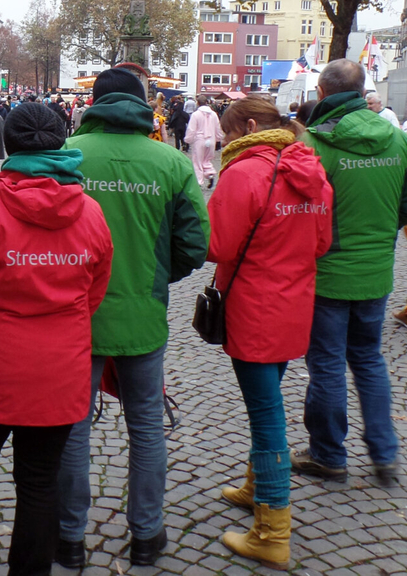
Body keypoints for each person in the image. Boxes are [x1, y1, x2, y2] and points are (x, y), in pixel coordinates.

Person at [0, 102, 113, 576]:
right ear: (61, 141)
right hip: (58, 372)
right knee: (38, 483)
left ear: (9, 144)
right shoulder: (90, 214)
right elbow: (94, 292)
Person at [56, 68, 209, 570]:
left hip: (75, 316)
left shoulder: (68, 157)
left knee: (73, 429)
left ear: (93, 103)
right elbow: (193, 244)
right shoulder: (170, 162)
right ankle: (146, 534)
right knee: (146, 426)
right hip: (143, 314)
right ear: (143, 103)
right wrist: (156, 276)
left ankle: (69, 539)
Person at [207, 96, 333, 570]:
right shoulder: (311, 169)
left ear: (251, 126)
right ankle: (256, 488)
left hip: (253, 308)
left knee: (267, 419)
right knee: (269, 402)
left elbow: (217, 243)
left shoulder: (244, 173)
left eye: (228, 134)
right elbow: (321, 242)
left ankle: (272, 532)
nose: (226, 142)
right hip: (294, 303)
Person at [292, 59, 407, 487]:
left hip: (329, 274)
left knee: (325, 364)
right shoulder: (397, 140)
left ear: (321, 94)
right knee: (369, 360)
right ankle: (384, 452)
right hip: (376, 270)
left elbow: (300, 215)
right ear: (363, 93)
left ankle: (328, 454)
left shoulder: (316, 146)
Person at [186, 95, 224, 188]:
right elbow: (218, 128)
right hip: (211, 140)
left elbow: (191, 129)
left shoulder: (196, 114)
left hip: (199, 139)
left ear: (197, 103)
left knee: (197, 161)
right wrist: (218, 138)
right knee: (207, 160)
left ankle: (199, 181)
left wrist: (188, 139)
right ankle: (210, 173)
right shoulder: (213, 114)